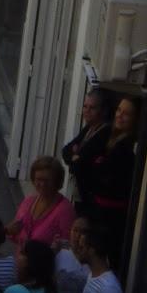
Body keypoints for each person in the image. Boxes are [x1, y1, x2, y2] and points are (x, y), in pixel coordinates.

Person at [88, 95, 138, 266]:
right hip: (101, 211)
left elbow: (102, 175)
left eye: (126, 114)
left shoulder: (126, 147)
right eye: (119, 110)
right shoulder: (112, 137)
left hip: (111, 218)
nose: (120, 115)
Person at [7, 156, 74, 251]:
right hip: (21, 264)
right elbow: (16, 237)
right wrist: (9, 231)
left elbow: (68, 250)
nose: (42, 184)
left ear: (57, 181)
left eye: (47, 180)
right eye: (38, 179)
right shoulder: (28, 202)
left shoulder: (65, 210)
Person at [61, 88, 110, 217]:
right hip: (79, 193)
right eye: (85, 106)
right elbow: (66, 150)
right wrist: (74, 157)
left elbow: (81, 162)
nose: (86, 111)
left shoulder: (104, 133)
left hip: (90, 197)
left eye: (92, 108)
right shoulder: (89, 127)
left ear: (103, 111)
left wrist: (76, 157)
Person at [55, 213, 89, 293]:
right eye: (75, 230)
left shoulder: (92, 260)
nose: (78, 235)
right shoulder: (59, 254)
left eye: (83, 232)